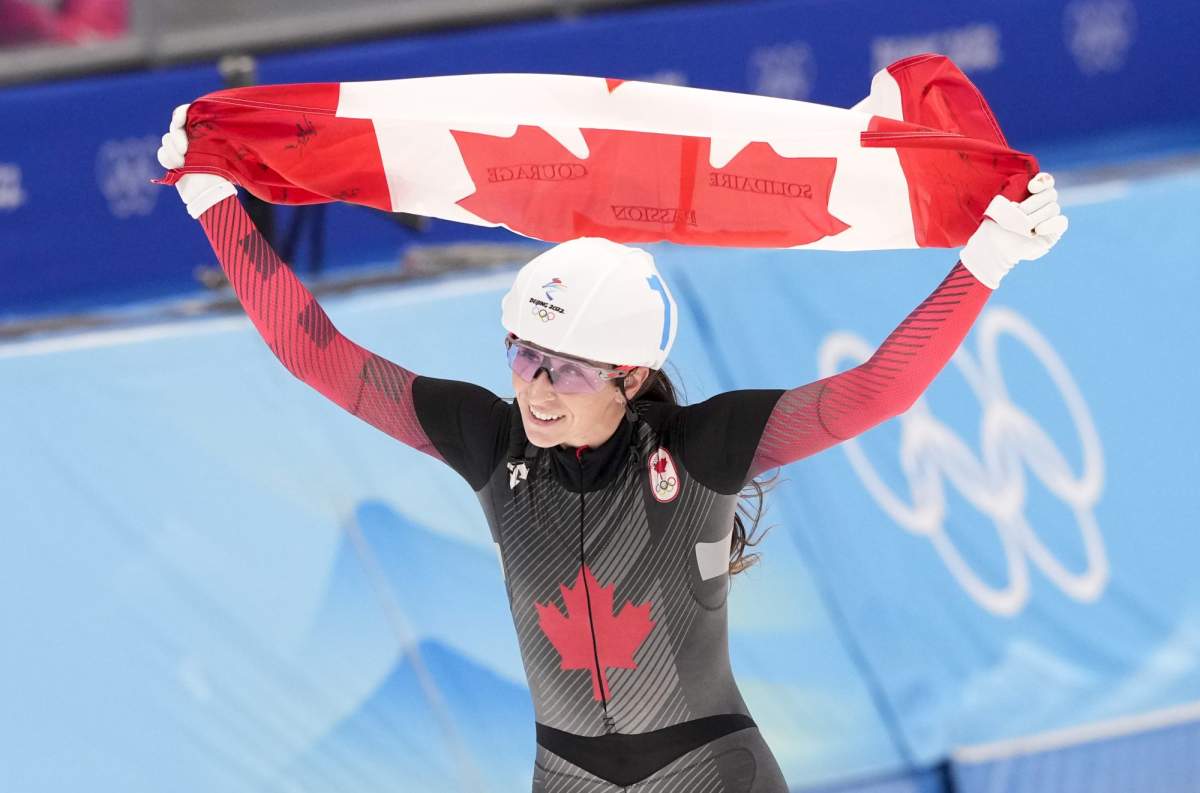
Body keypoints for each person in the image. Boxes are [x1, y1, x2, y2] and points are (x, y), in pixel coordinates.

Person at [158, 105, 1067, 792]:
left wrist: (985, 260)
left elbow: (878, 389)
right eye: (523, 356)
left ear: (632, 376)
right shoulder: (489, 439)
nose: (536, 389)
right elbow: (320, 357)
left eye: (569, 371)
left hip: (710, 772)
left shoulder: (703, 447)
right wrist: (214, 204)